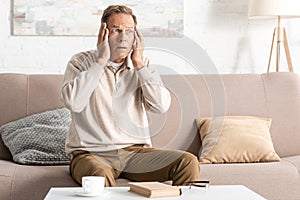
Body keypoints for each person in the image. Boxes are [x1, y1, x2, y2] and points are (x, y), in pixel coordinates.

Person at [61, 5, 199, 187]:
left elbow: (161, 106)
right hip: (91, 153)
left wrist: (139, 65)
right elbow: (74, 102)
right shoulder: (80, 62)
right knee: (99, 175)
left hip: (135, 153)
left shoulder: (142, 64)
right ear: (103, 32)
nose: (123, 37)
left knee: (187, 162)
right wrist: (100, 62)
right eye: (116, 30)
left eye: (129, 31)